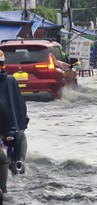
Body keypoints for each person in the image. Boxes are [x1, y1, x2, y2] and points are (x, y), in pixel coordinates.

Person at [0, 49, 29, 200]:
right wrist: (22, 119)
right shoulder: (11, 81)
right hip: (11, 125)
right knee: (21, 135)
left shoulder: (10, 81)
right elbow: (20, 105)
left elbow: (19, 104)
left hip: (9, 127)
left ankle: (19, 162)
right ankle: (20, 162)